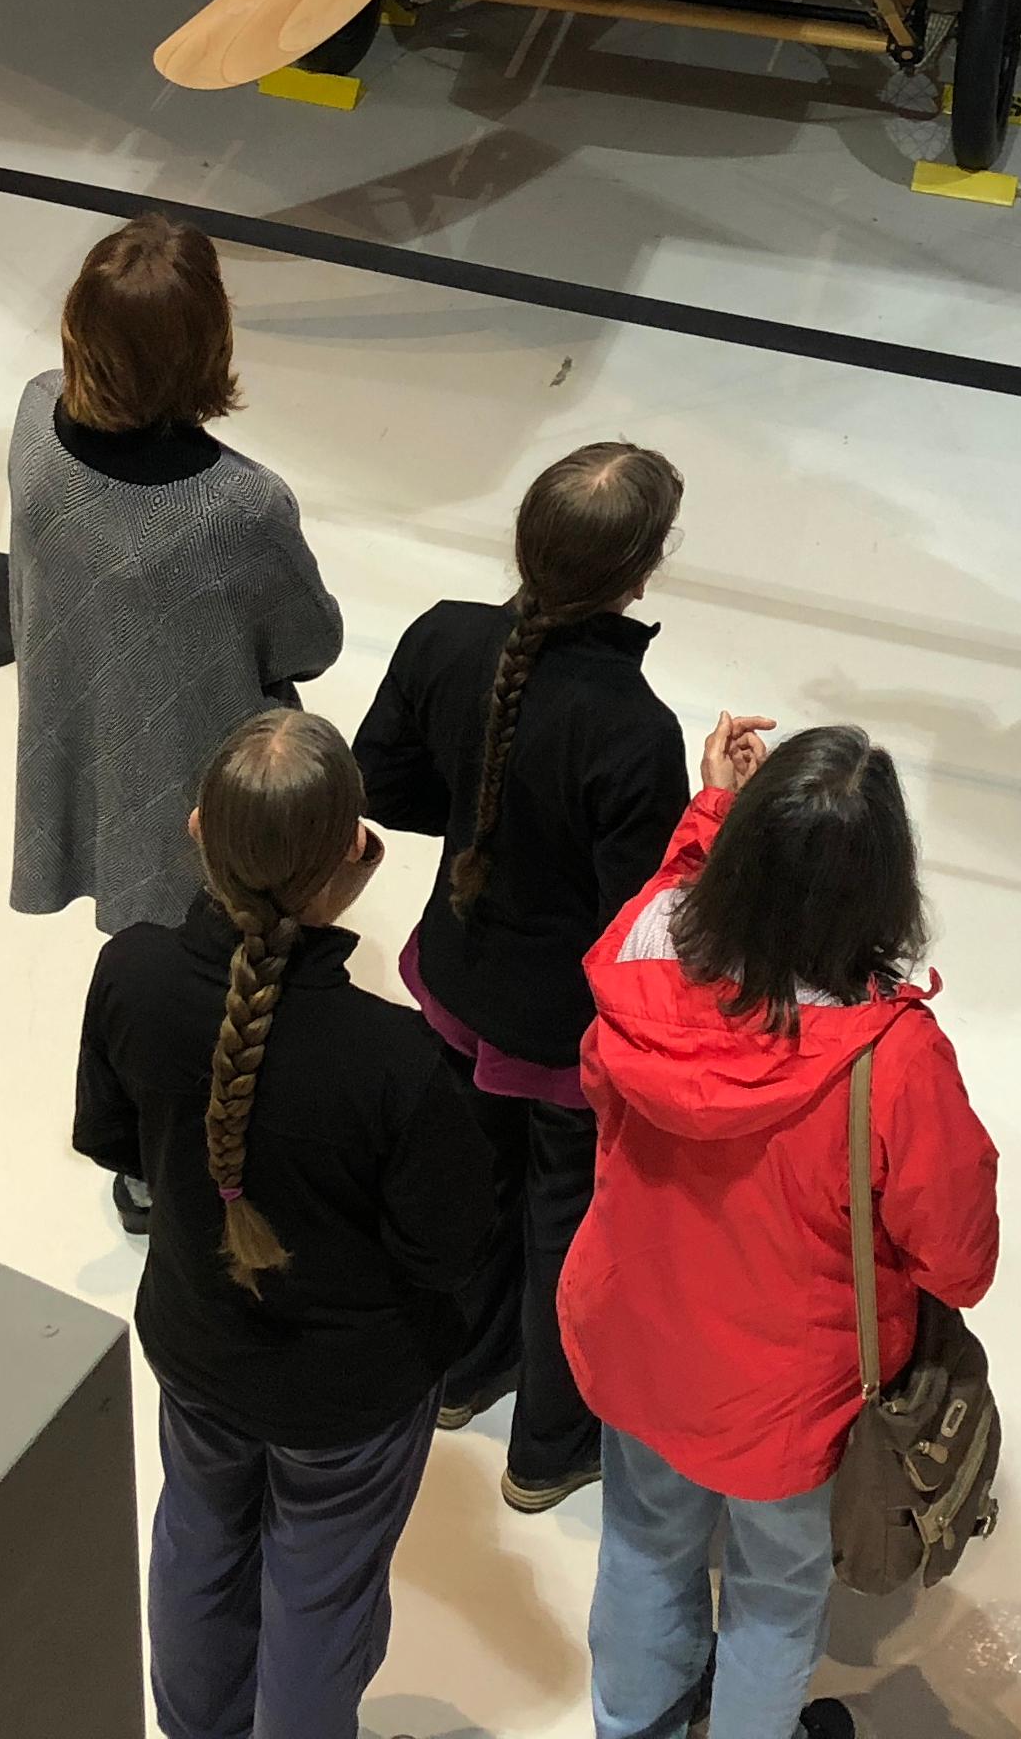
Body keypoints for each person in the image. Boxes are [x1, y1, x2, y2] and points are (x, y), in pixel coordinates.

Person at [562, 722, 1000, 1739]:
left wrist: (713, 808)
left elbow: (673, 917)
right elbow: (960, 1263)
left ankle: (632, 1723)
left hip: (634, 1340)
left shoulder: (641, 956)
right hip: (792, 1405)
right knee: (775, 1591)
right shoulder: (892, 1060)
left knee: (643, 1545)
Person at [73, 710, 496, 1739]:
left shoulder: (132, 972)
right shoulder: (398, 1062)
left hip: (196, 1344)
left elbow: (116, 1141)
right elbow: (446, 1251)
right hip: (347, 1396)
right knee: (320, 1594)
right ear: (353, 854)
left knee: (198, 1541)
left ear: (195, 829)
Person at [355, 440, 693, 1515]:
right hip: (565, 1038)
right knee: (565, 1225)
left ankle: (461, 1373)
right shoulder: (636, 731)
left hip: (455, 982)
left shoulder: (443, 636)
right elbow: (636, 924)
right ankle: (548, 1447)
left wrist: (477, 824)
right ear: (643, 571)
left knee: (474, 1184)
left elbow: (380, 781)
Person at [14, 217, 343, 1228]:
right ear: (211, 343)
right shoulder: (240, 507)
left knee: (144, 968)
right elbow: (310, 643)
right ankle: (219, 1148)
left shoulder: (32, 423)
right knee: (219, 973)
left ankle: (144, 1165)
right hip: (206, 777)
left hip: (85, 735)